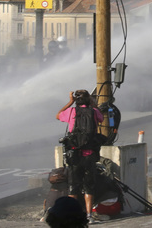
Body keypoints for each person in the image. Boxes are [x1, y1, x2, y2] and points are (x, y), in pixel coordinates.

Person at [56, 90, 104, 224]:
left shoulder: (71, 111)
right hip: (90, 155)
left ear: (76, 101)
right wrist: (93, 104)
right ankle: (89, 216)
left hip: (74, 155)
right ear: (89, 100)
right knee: (89, 186)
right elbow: (101, 118)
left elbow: (58, 115)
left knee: (73, 186)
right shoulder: (94, 112)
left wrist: (70, 102)